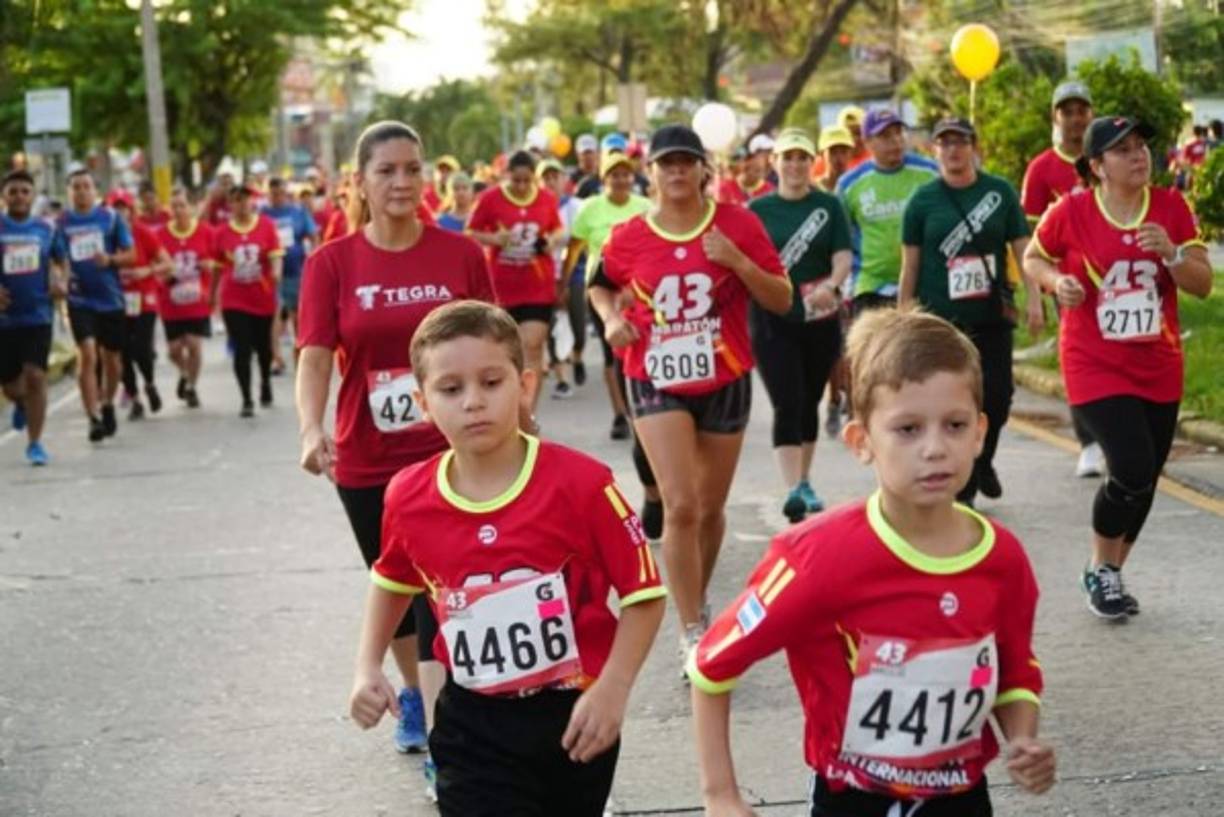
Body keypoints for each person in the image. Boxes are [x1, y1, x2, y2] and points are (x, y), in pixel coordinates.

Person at [689, 307, 1055, 817]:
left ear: (979, 432)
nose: (934, 448)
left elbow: (1014, 669)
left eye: (954, 425)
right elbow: (713, 665)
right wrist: (720, 795)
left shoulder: (1002, 558)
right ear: (862, 442)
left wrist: (1022, 738)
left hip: (962, 800)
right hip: (854, 800)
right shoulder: (819, 557)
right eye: (907, 429)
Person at [347, 300, 666, 817]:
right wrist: (367, 665)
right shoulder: (408, 496)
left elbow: (644, 595)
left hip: (572, 714)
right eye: (451, 389)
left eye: (491, 383)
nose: (473, 401)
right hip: (470, 720)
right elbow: (392, 578)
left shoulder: (583, 485)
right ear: (422, 402)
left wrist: (614, 689)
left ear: (525, 384)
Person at [297, 121, 494, 795]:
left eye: (413, 168)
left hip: (455, 452)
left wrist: (519, 422)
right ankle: (416, 689)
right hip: (368, 459)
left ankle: (447, 737)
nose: (404, 181)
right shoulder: (332, 263)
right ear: (361, 182)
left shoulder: (461, 253)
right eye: (387, 171)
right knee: (403, 590)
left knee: (448, 595)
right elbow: (316, 354)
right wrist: (308, 427)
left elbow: (494, 349)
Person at [589, 124, 792, 667]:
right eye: (666, 163)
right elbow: (600, 282)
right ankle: (692, 627)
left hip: (725, 377)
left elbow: (780, 298)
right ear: (649, 173)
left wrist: (738, 262)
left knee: (709, 509)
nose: (677, 171)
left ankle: (695, 593)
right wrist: (611, 319)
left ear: (704, 169)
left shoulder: (737, 224)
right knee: (679, 504)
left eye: (686, 161)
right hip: (653, 375)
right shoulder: (630, 234)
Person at [1023, 116, 1213, 619]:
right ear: (1096, 166)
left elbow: (1202, 284)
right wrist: (1054, 283)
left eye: (1141, 146)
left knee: (1147, 475)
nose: (1138, 156)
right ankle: (1103, 571)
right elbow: (1033, 258)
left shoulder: (1171, 207)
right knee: (1128, 466)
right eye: (1122, 149)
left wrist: (1171, 254)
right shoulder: (1071, 211)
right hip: (1093, 362)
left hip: (1158, 361)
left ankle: (1106, 570)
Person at [900, 118, 1033, 507]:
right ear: (934, 151)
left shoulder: (999, 192)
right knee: (953, 401)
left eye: (960, 142)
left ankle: (983, 458)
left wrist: (1036, 298)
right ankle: (966, 485)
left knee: (998, 397)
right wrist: (904, 316)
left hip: (991, 315)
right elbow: (910, 265)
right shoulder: (923, 201)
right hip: (941, 319)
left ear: (975, 147)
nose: (953, 150)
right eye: (945, 143)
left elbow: (1023, 247)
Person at [748, 128, 853, 523]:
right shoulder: (757, 210)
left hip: (819, 315)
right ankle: (792, 489)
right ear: (774, 163)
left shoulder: (829, 205)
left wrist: (831, 285)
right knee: (786, 400)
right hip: (771, 317)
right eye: (787, 157)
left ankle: (805, 479)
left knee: (808, 398)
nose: (794, 165)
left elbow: (842, 255)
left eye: (802, 158)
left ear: (813, 163)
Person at [1020, 80, 1104, 479]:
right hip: (1069, 283)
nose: (1075, 119)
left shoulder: (1108, 158)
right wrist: (1038, 291)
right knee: (1080, 358)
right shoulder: (1042, 169)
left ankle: (1113, 433)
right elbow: (1030, 242)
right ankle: (1088, 440)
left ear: (1091, 114)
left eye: (1081, 110)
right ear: (1055, 117)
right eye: (1066, 111)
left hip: (1116, 278)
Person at [467, 150, 565, 413]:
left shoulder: (546, 198)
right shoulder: (490, 199)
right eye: (516, 180)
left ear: (534, 178)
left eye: (527, 181)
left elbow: (557, 229)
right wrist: (494, 240)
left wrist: (552, 242)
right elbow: (470, 230)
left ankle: (527, 414)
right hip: (502, 287)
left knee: (533, 346)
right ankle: (507, 408)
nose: (521, 186)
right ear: (507, 175)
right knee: (505, 352)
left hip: (538, 285)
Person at [567, 153, 652, 441]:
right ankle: (620, 413)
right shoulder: (590, 208)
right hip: (602, 290)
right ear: (604, 180)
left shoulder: (645, 207)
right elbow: (575, 247)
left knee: (641, 346)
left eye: (625, 174)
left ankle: (646, 407)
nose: (620, 180)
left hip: (640, 291)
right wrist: (563, 282)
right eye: (614, 175)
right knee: (612, 353)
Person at [57, 168, 135, 442]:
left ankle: (108, 403)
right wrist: (60, 279)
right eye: (75, 186)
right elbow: (55, 258)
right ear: (69, 192)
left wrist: (111, 260)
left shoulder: (111, 218)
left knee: (112, 359)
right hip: (79, 300)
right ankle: (92, 417)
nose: (80, 191)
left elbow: (131, 254)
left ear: (95, 190)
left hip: (110, 299)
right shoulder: (62, 223)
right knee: (88, 354)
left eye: (86, 186)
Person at [837, 109, 938, 315]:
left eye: (899, 133)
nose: (895, 141)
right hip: (871, 286)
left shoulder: (930, 173)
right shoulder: (849, 185)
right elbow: (839, 241)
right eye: (885, 136)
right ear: (867, 143)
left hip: (925, 284)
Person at [1, 169, 65, 466]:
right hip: (4, 320)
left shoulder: (47, 229)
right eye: (13, 191)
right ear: (4, 196)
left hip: (38, 315)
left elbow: (60, 262)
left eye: (24, 191)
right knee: (12, 387)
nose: (18, 196)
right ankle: (21, 404)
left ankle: (35, 443)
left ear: (32, 196)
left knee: (37, 377)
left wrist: (58, 280)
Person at [214, 183, 283, 417]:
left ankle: (264, 380)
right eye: (236, 200)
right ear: (230, 205)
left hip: (261, 297)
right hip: (234, 299)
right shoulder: (222, 233)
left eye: (245, 200)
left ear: (251, 202)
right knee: (241, 348)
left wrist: (276, 271)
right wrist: (212, 296)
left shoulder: (266, 226)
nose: (241, 205)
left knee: (263, 347)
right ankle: (246, 398)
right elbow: (216, 267)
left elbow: (275, 256)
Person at [110, 191, 172, 421]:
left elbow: (168, 264)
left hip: (144, 298)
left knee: (141, 348)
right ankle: (134, 398)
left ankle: (149, 383)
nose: (119, 212)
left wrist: (146, 270)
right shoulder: (106, 235)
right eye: (114, 208)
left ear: (130, 210)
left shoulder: (142, 232)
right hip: (116, 300)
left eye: (123, 207)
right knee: (123, 351)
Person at [156, 187, 217, 409]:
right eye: (174, 206)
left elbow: (216, 261)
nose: (179, 210)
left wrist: (209, 265)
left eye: (182, 205)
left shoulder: (205, 232)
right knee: (173, 350)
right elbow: (155, 263)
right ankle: (183, 372)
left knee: (193, 345)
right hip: (170, 300)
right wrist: (165, 273)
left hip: (197, 299)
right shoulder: (161, 235)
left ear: (191, 207)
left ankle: (191, 386)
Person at [261, 177, 317, 373]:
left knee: (297, 316)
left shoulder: (298, 212)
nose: (276, 197)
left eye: (280, 193)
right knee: (275, 316)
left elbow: (312, 235)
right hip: (270, 274)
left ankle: (299, 351)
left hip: (296, 271)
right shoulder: (263, 215)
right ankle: (276, 358)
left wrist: (314, 259)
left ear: (285, 193)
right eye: (273, 193)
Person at [537, 159, 582, 399]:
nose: (550, 182)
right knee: (551, 324)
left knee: (578, 326)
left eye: (555, 176)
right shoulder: (536, 207)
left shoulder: (576, 207)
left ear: (564, 180)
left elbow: (578, 243)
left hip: (573, 272)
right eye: (546, 177)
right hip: (543, 275)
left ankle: (578, 355)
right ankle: (562, 378)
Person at [716, 134, 775, 206]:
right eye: (764, 154)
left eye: (770, 154)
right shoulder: (725, 187)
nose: (769, 161)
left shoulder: (771, 192)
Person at [814, 125, 856, 193]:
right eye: (833, 152)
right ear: (821, 154)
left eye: (843, 151)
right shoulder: (813, 189)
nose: (839, 158)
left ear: (851, 153)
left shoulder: (859, 186)